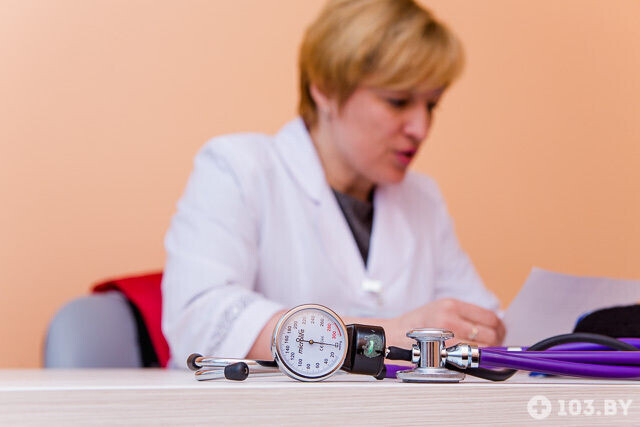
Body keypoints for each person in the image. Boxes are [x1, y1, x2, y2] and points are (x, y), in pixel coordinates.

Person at [161, 0, 505, 367]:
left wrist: (485, 333)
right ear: (325, 89)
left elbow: (483, 324)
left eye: (432, 105)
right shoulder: (238, 168)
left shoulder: (422, 199)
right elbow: (201, 319)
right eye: (398, 101)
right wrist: (389, 334)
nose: (420, 129)